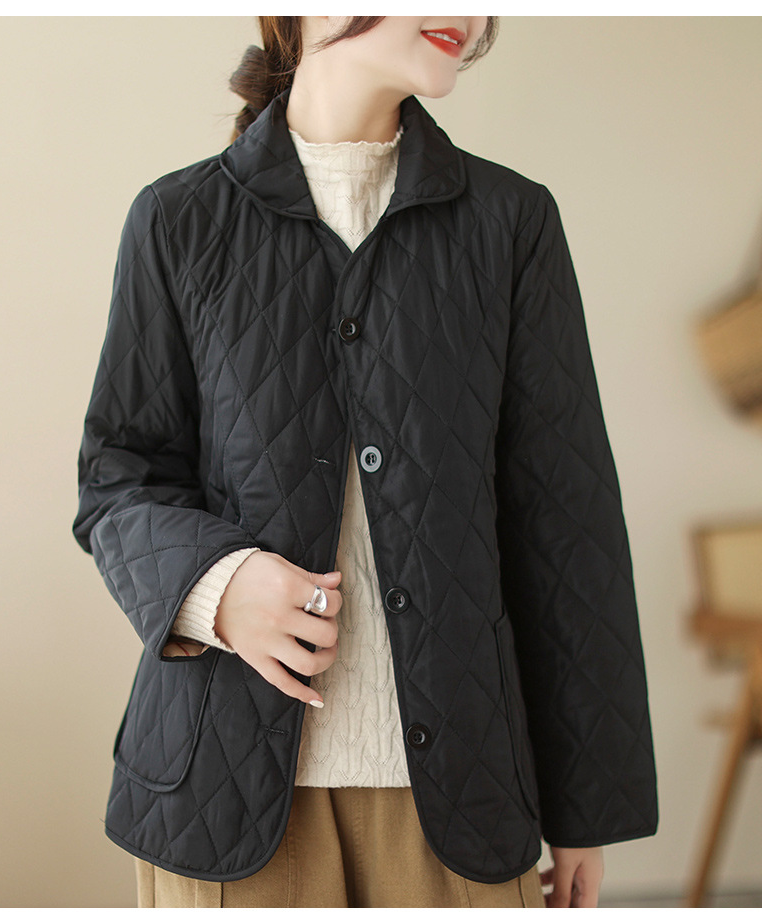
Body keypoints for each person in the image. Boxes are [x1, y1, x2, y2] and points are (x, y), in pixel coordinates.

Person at [72, 15, 659, 909]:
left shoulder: (511, 223)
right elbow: (117, 480)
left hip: (463, 797)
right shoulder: (178, 219)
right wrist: (218, 587)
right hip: (223, 794)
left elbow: (566, 526)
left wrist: (585, 806)